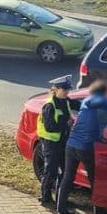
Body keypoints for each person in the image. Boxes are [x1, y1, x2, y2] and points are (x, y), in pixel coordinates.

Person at [56, 79, 107, 214]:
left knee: (68, 177)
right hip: (87, 147)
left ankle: (61, 210)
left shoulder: (86, 101)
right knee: (95, 180)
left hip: (71, 144)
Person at [37, 75, 73, 206]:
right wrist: (66, 124)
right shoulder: (49, 106)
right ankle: (45, 197)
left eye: (68, 90)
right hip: (50, 143)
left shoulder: (65, 101)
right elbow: (50, 127)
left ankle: (60, 199)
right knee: (50, 170)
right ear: (56, 89)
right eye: (64, 89)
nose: (67, 92)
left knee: (64, 170)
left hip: (63, 141)